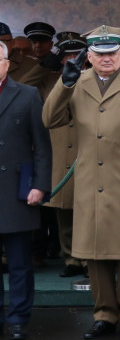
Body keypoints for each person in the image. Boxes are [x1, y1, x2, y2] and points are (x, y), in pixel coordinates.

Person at [41, 26, 120, 340]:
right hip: (90, 181)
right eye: (99, 54)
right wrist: (63, 84)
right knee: (94, 252)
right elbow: (50, 120)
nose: (106, 59)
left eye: (111, 53)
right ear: (89, 57)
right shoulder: (76, 83)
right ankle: (104, 313)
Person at [19, 32, 88, 278]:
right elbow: (21, 86)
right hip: (58, 152)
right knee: (64, 212)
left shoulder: (92, 79)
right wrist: (42, 66)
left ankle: (88, 259)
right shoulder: (48, 80)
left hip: (86, 152)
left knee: (88, 210)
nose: (71, 59)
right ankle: (70, 258)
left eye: (75, 54)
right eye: (66, 55)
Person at [0, 41, 52, 340]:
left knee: (20, 262)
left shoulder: (28, 94)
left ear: (7, 64)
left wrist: (40, 185)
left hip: (16, 191)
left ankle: (18, 317)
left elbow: (42, 147)